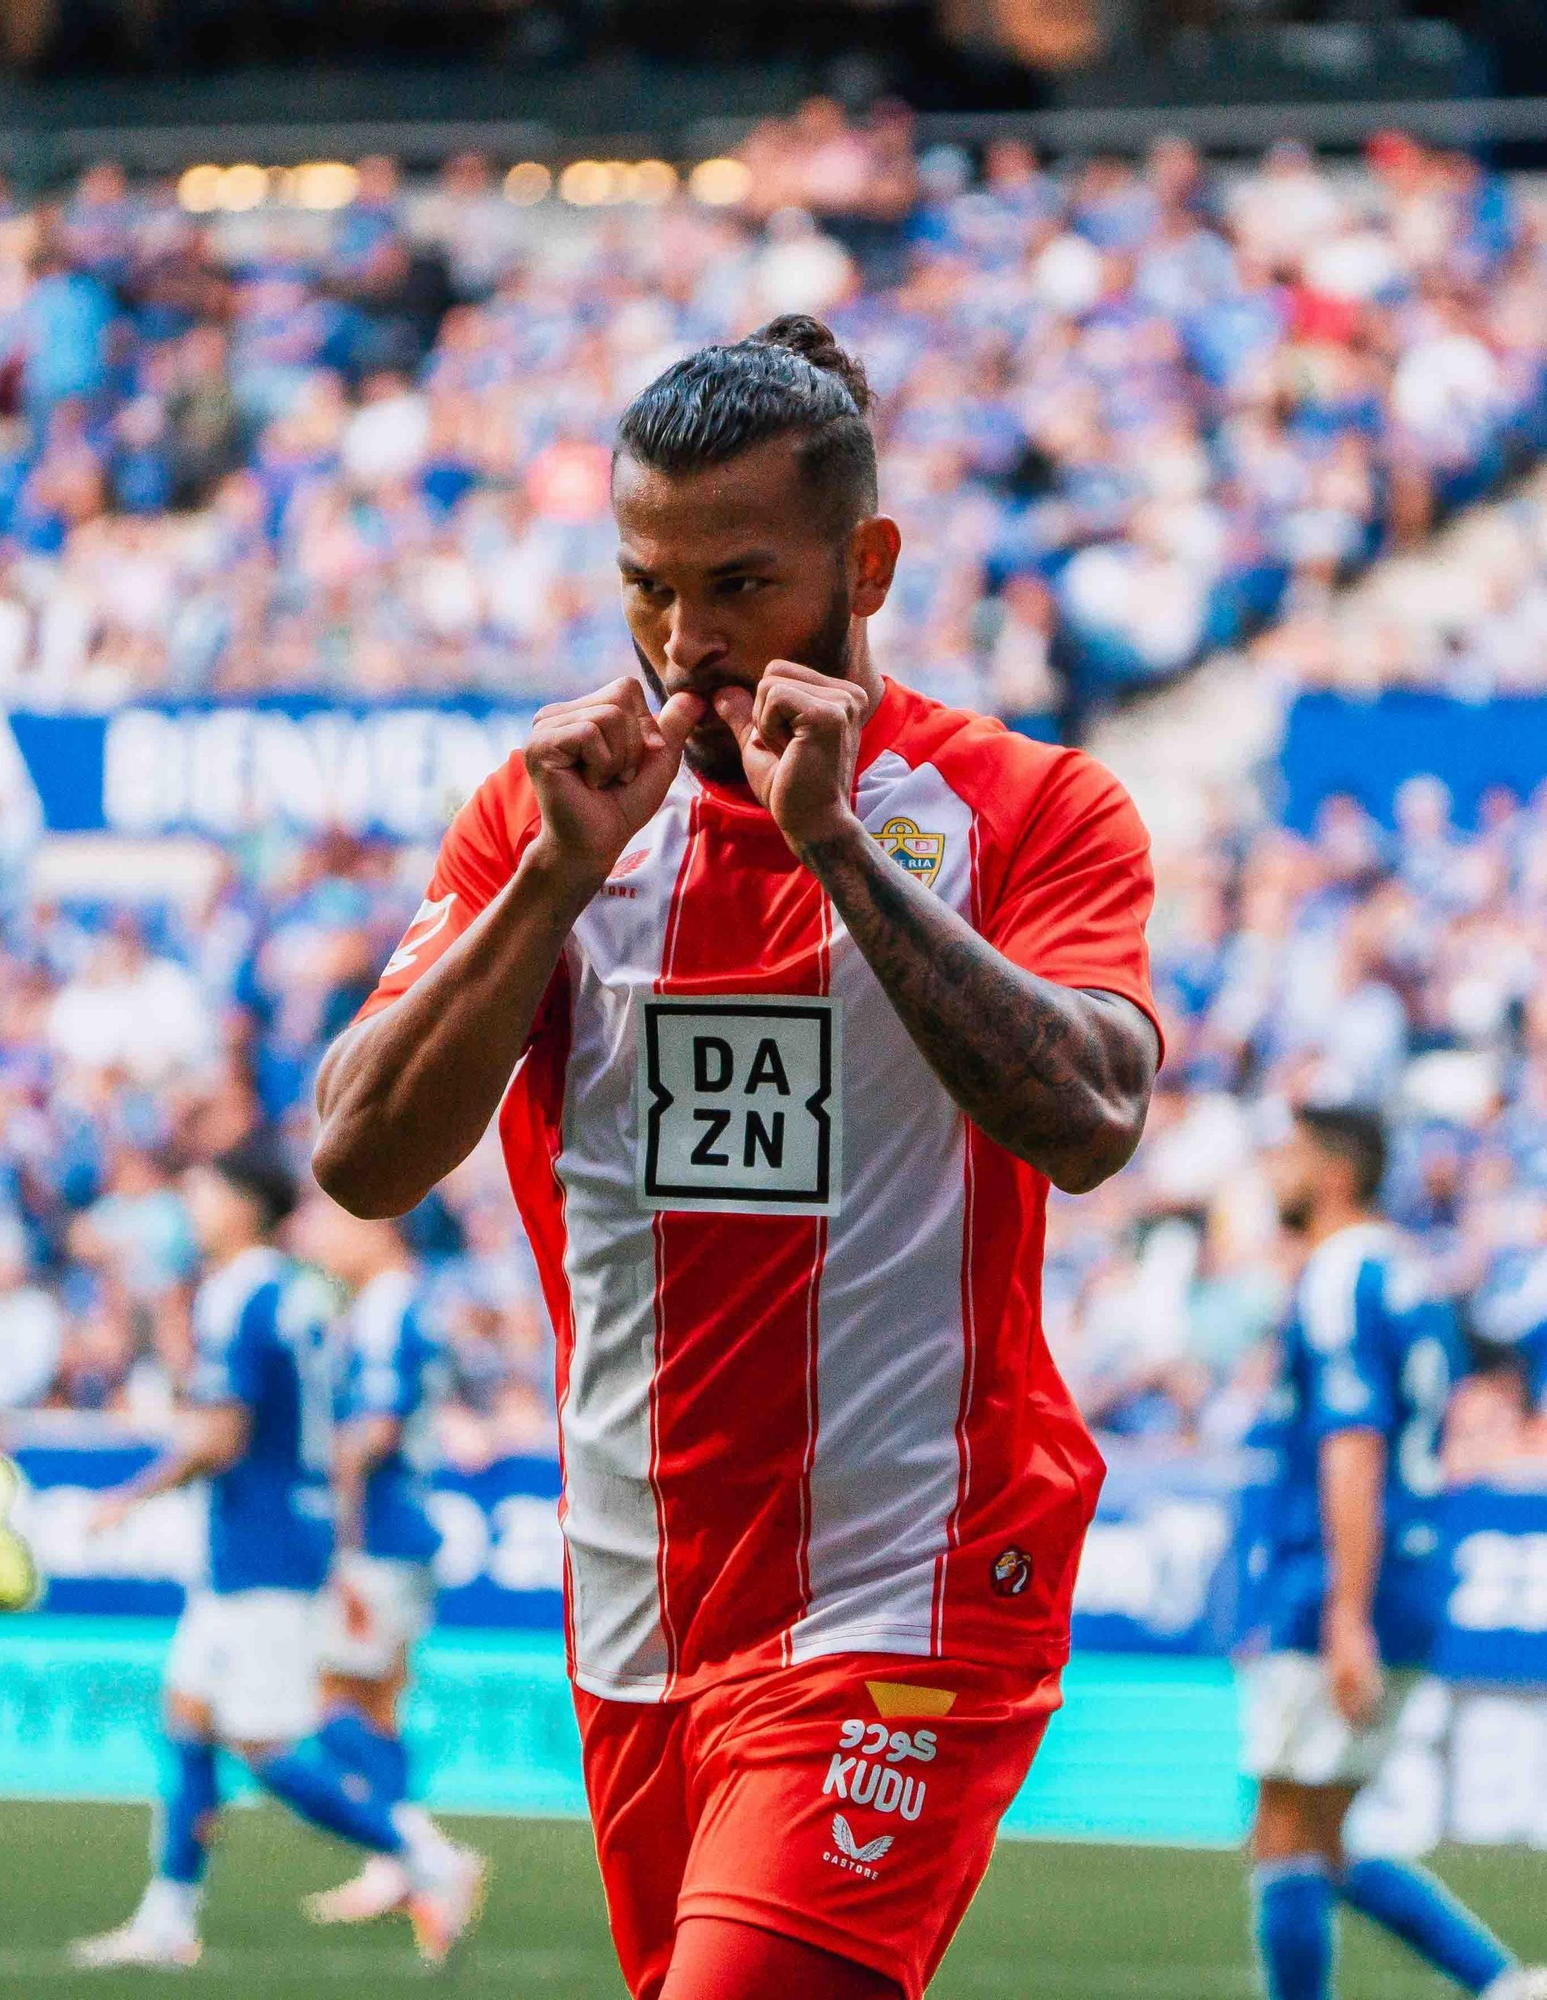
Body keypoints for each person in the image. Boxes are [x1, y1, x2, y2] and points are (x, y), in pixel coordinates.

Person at [313, 314, 1161, 2000]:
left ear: (868, 563)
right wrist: (550, 886)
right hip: (639, 1590)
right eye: (647, 586)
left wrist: (836, 847)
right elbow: (359, 1157)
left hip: (910, 1570)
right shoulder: (550, 821)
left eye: (742, 589)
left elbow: (1093, 1119)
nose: (684, 645)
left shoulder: (1028, 808)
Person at [69, 1138, 480, 1972]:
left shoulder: (240, 1296)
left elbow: (223, 1434)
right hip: (277, 1541)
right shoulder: (299, 1297)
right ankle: (167, 1917)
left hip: (260, 1549)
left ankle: (422, 1854)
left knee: (271, 1749)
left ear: (240, 1205)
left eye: (203, 1189)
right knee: (188, 1720)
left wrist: (127, 1497)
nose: (191, 1205)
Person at [1241, 1105, 1546, 2000]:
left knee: (1288, 1829)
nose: (1275, 1173)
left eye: (1291, 1156)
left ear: (1335, 1173)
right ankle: (1498, 1981)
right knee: (1323, 1835)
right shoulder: (1409, 1278)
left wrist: (1343, 1613)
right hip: (1406, 1574)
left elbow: (1354, 1444)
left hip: (1337, 1580)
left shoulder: (1341, 1277)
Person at [292, 1195, 458, 1928]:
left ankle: (418, 1848)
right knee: (374, 1703)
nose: (324, 1240)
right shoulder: (398, 1302)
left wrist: (342, 1545)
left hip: (381, 1538)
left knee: (323, 1699)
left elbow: (377, 1432)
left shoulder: (389, 1307)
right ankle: (398, 1866)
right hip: (405, 1531)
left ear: (378, 1226)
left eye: (334, 1223)